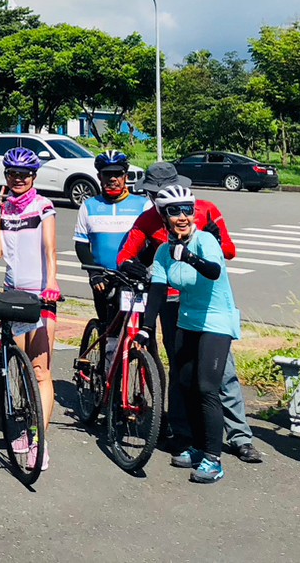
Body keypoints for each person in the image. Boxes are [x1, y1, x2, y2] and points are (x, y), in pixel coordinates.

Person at [117, 161, 261, 464]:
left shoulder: (204, 209)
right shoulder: (148, 219)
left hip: (207, 299)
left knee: (223, 373)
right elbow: (124, 256)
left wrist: (210, 242)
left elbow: (228, 252)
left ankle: (240, 437)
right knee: (182, 371)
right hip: (171, 302)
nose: (173, 210)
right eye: (159, 197)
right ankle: (185, 435)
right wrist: (140, 268)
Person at [140, 183, 240, 485]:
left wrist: (188, 256)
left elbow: (213, 271)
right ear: (163, 216)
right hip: (188, 320)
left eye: (187, 209)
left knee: (207, 387)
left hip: (217, 320)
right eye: (174, 211)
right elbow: (157, 292)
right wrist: (146, 328)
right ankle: (197, 447)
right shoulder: (162, 251)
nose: (182, 216)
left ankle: (213, 458)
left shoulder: (205, 239)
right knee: (185, 385)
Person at [0, 147, 60, 470]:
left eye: (24, 174)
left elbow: (49, 247)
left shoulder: (42, 205)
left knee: (41, 371)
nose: (18, 179)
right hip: (12, 296)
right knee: (19, 368)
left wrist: (53, 281)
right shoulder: (5, 209)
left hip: (41, 296)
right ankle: (28, 428)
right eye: (12, 174)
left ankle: (38, 441)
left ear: (33, 176)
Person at [74, 151, 149, 323]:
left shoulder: (143, 205)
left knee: (139, 329)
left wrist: (140, 264)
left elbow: (152, 243)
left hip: (132, 277)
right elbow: (81, 244)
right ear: (99, 176)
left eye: (118, 174)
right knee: (107, 329)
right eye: (107, 174)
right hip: (103, 279)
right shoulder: (89, 206)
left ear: (125, 176)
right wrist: (93, 273)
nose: (113, 179)